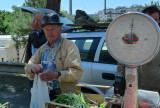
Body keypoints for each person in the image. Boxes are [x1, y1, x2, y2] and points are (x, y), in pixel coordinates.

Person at [24, 13, 83, 100]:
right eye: (47, 29)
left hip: (63, 96)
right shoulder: (43, 48)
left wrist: (56, 75)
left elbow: (76, 72)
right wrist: (33, 68)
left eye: (53, 29)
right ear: (44, 31)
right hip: (44, 95)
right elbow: (28, 66)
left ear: (60, 29)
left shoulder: (70, 46)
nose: (50, 32)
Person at [117, 5, 160, 92]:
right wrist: (120, 78)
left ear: (159, 20)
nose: (151, 23)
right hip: (132, 86)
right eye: (148, 19)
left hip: (154, 88)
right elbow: (122, 60)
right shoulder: (131, 37)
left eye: (155, 20)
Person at [25, 13, 47, 89]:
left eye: (40, 20)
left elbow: (37, 44)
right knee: (32, 91)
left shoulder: (46, 33)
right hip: (32, 68)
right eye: (36, 20)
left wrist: (33, 30)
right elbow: (29, 50)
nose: (38, 22)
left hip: (41, 69)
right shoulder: (33, 34)